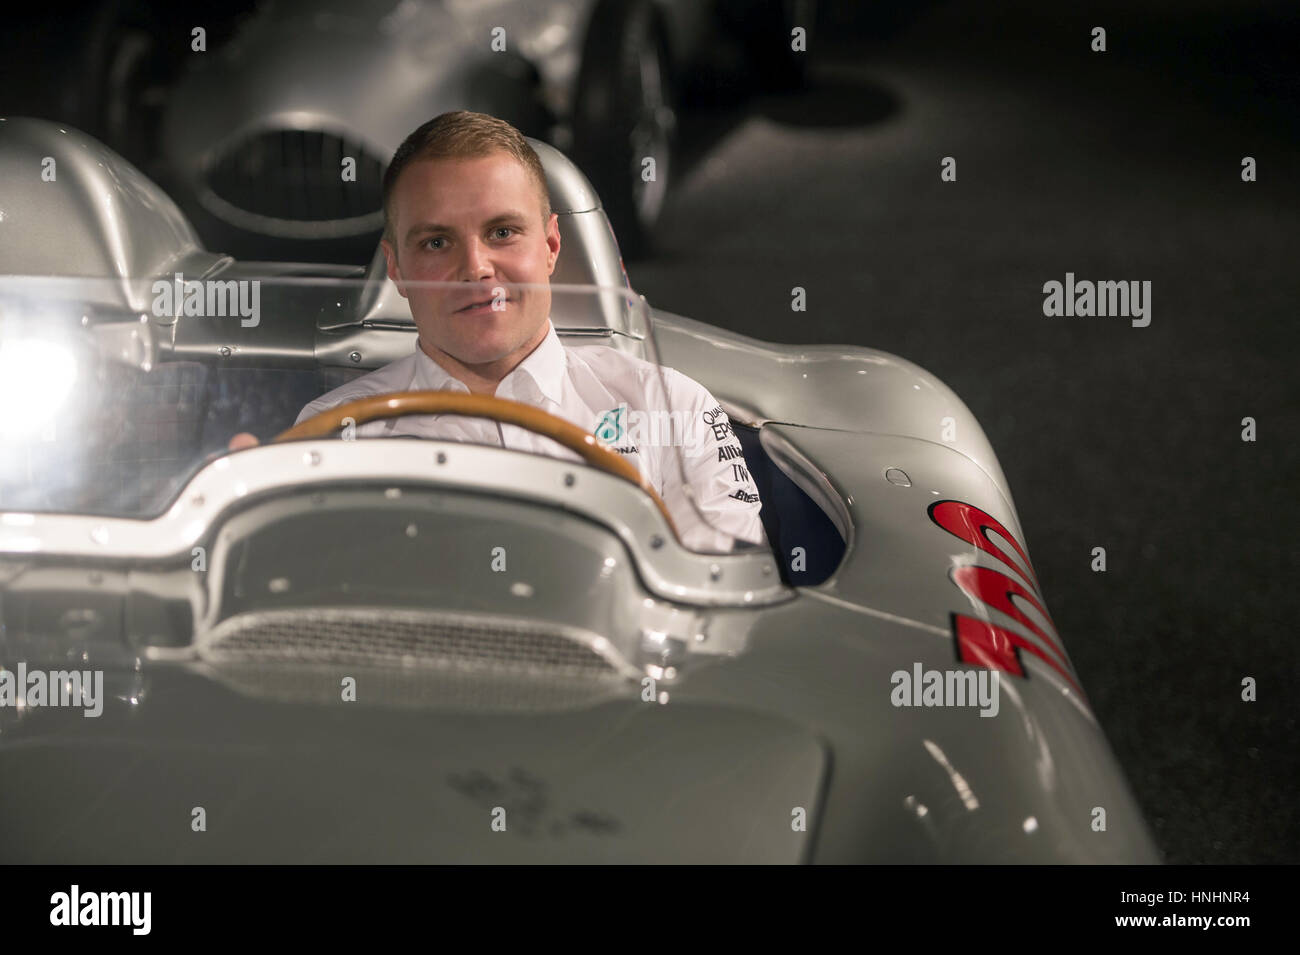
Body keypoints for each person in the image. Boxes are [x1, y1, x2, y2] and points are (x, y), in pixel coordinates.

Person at [231, 111, 764, 552]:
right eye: (437, 243)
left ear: (552, 246)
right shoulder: (333, 431)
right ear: (397, 269)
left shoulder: (672, 408)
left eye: (502, 232)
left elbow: (728, 599)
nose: (476, 268)